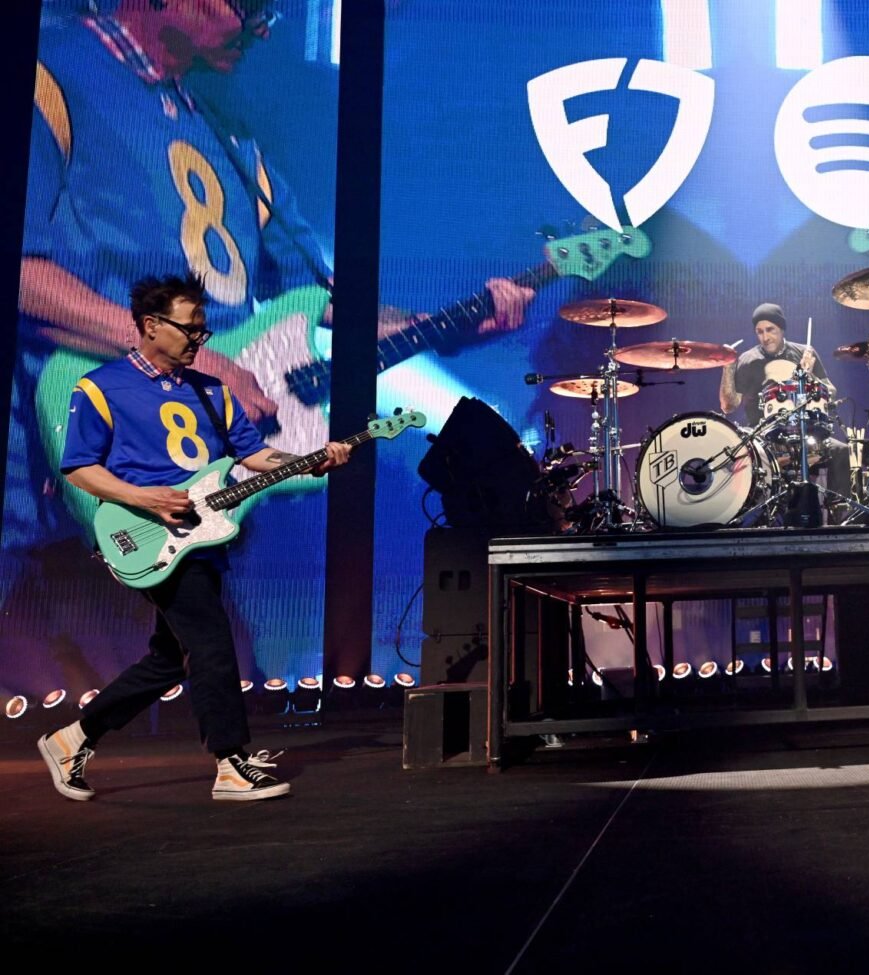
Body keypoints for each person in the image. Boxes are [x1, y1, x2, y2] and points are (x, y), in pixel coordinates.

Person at [7, 0, 532, 686]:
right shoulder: (47, 73)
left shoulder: (225, 131)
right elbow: (24, 278)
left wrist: (444, 327)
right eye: (247, 5)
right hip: (49, 503)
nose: (261, 27)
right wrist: (198, 359)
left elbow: (316, 303)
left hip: (180, 501)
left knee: (217, 707)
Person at [37, 274, 352, 802]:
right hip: (145, 533)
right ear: (150, 325)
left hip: (200, 537)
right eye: (189, 329)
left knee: (170, 658)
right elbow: (80, 468)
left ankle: (72, 739)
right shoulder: (100, 387)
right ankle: (230, 762)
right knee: (210, 641)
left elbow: (255, 455)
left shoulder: (212, 391)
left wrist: (309, 459)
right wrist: (145, 499)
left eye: (202, 331)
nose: (198, 340)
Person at [718, 302, 853, 505]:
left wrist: (808, 376)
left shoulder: (804, 353)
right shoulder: (747, 360)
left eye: (770, 329)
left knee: (840, 451)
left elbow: (831, 393)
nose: (765, 337)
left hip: (803, 433)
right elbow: (728, 407)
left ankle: (840, 512)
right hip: (763, 436)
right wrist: (727, 367)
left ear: (782, 329)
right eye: (760, 332)